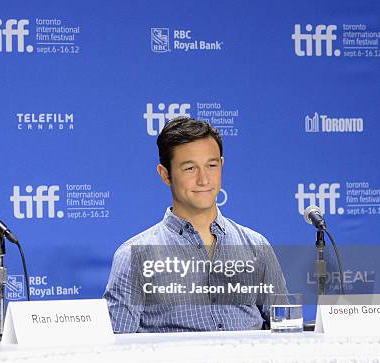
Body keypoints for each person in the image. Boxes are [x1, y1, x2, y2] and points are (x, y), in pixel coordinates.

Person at [103, 117, 288, 333]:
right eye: (190, 168)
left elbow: (284, 328)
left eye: (211, 165)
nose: (204, 180)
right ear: (165, 175)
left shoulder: (257, 246)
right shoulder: (135, 255)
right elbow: (115, 346)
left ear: (222, 165)